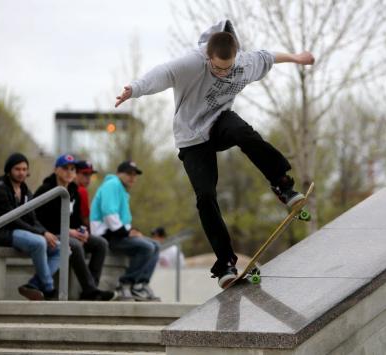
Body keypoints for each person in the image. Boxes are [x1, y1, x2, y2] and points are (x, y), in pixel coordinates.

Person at [114, 20, 315, 288]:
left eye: (227, 68)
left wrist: (296, 58)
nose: (222, 73)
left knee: (244, 132)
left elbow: (269, 56)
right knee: (206, 196)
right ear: (208, 57)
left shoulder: (244, 63)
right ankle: (225, 263)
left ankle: (282, 185)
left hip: (219, 123)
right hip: (191, 138)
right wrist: (134, 89)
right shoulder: (192, 62)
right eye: (217, 68)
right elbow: (163, 73)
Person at [34, 154, 116, 301]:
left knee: (101, 244)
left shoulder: (74, 191)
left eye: (72, 169)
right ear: (56, 170)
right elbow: (40, 220)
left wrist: (81, 231)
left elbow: (76, 219)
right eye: (65, 168)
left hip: (68, 232)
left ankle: (92, 288)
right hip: (49, 234)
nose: (69, 172)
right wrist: (68, 231)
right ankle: (90, 289)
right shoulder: (46, 190)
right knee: (75, 245)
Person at [0, 153, 60, 301]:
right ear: (8, 170)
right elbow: (12, 220)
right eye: (17, 169)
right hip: (1, 234)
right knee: (39, 242)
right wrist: (41, 234)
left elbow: (33, 219)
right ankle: (49, 288)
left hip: (20, 233)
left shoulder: (26, 191)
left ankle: (34, 285)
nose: (21, 173)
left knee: (61, 248)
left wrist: (44, 231)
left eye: (24, 169)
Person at [90, 161, 160, 301]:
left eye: (135, 175)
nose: (132, 177)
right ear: (118, 173)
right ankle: (125, 284)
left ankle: (140, 284)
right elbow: (109, 213)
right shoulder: (112, 184)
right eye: (129, 173)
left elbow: (122, 221)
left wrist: (132, 231)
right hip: (106, 236)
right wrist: (128, 233)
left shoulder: (121, 189)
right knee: (146, 247)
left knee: (156, 245)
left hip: (117, 234)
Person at [75, 160, 98, 228]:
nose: (88, 178)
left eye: (90, 174)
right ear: (75, 173)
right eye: (85, 174)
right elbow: (86, 220)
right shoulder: (82, 190)